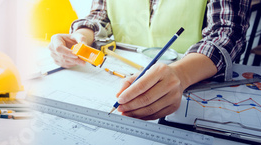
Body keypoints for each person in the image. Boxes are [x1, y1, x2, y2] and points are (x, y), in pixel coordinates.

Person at [48, 0, 250, 120]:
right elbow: (100, 14)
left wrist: (182, 74)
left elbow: (227, 32)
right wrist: (81, 36)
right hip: (123, 63)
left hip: (193, 74)